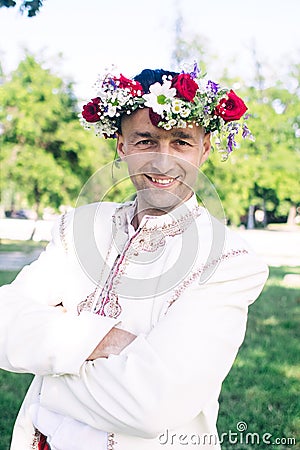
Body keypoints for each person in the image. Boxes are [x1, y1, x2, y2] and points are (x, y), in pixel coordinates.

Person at [0, 63, 268, 450]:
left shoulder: (228, 260)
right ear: (121, 147)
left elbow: (152, 406)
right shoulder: (80, 228)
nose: (163, 162)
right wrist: (107, 340)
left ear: (204, 150)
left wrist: (49, 371)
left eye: (181, 142)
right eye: (145, 141)